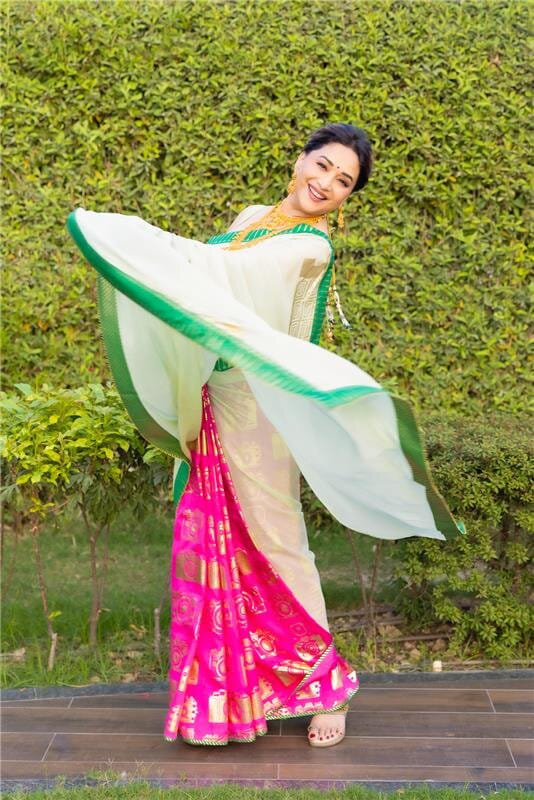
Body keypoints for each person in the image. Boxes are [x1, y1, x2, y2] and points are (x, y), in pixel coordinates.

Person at [66, 122, 464, 748]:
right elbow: (207, 296)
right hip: (216, 396)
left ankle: (328, 688)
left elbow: (214, 274)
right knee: (219, 541)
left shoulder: (311, 247)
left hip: (264, 406)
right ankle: (231, 691)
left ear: (347, 198)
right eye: (323, 165)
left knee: (279, 539)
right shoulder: (255, 217)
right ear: (300, 160)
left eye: (343, 181)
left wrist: (129, 238)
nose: (326, 183)